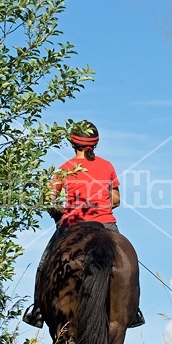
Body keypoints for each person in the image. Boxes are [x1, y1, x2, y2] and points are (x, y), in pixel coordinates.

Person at [23, 121, 145, 328]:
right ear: (95, 143)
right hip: (106, 224)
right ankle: (133, 312)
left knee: (44, 263)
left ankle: (37, 310)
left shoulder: (64, 169)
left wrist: (58, 211)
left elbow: (48, 199)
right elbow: (116, 200)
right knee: (128, 263)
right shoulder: (107, 166)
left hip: (71, 225)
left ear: (72, 142)